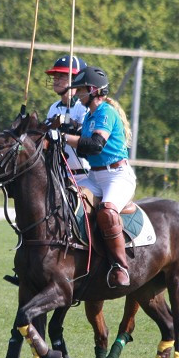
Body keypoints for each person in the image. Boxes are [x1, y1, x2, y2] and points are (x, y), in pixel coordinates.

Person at [63, 66, 136, 288]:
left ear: (93, 90)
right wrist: (64, 131)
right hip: (95, 176)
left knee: (107, 212)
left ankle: (120, 266)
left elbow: (95, 145)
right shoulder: (89, 116)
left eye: (81, 89)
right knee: (64, 197)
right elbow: (83, 147)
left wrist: (64, 136)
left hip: (117, 176)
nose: (77, 93)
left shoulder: (106, 112)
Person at [44, 55, 90, 183]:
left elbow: (87, 138)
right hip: (60, 174)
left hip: (85, 175)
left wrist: (72, 126)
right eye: (55, 76)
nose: (55, 80)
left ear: (76, 80)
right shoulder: (54, 107)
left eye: (61, 76)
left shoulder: (83, 107)